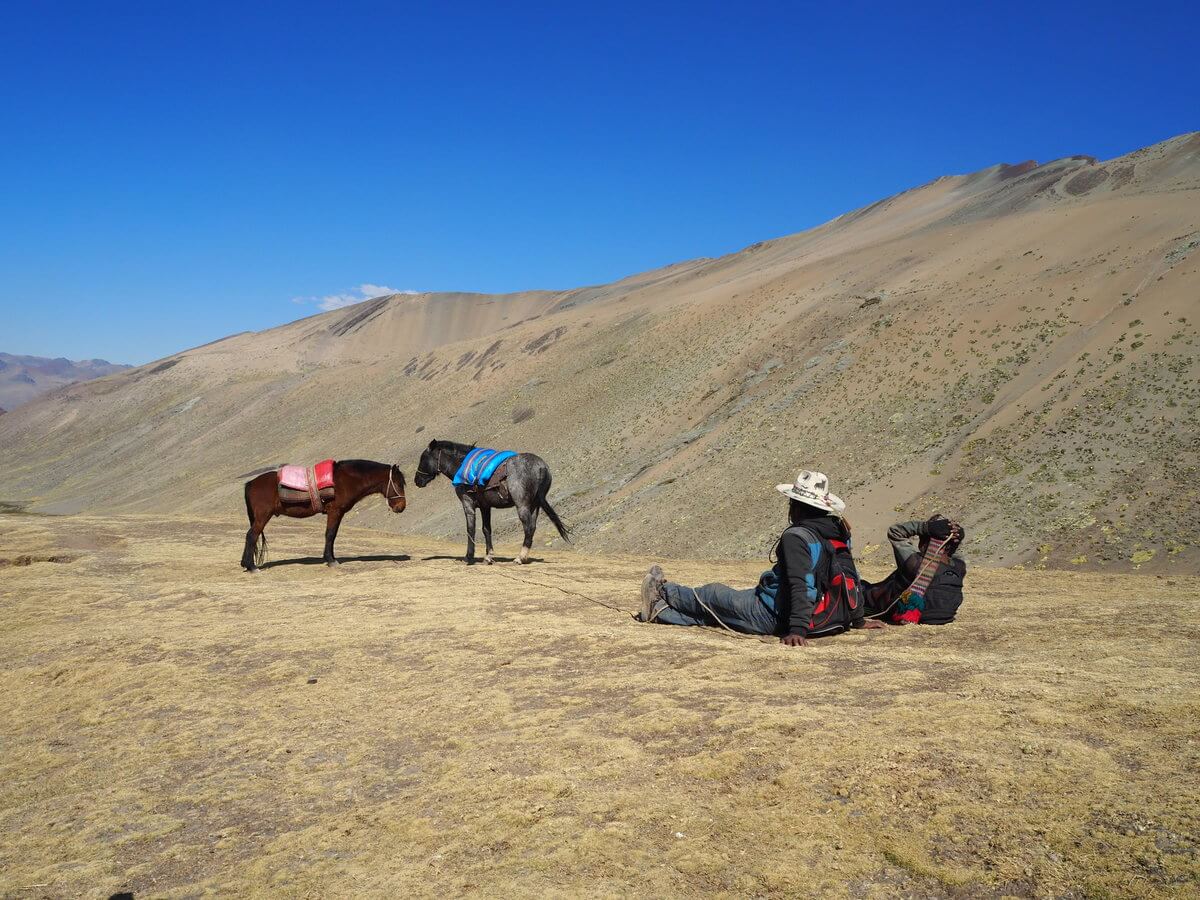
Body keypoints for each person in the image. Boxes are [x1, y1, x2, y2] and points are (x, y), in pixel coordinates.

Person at [635, 470, 882, 646]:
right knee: (712, 616)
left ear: (796, 506)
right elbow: (851, 577)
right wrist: (857, 619)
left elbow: (801, 584)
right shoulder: (838, 531)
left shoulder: (798, 536)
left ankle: (663, 591)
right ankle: (659, 611)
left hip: (774, 615)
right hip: (833, 617)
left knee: (713, 593)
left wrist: (797, 629)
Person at [862, 514, 967, 625]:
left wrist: (925, 528)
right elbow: (954, 552)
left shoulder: (915, 562)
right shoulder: (959, 566)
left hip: (890, 608)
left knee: (859, 588)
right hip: (945, 615)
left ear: (924, 541)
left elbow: (895, 532)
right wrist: (958, 537)